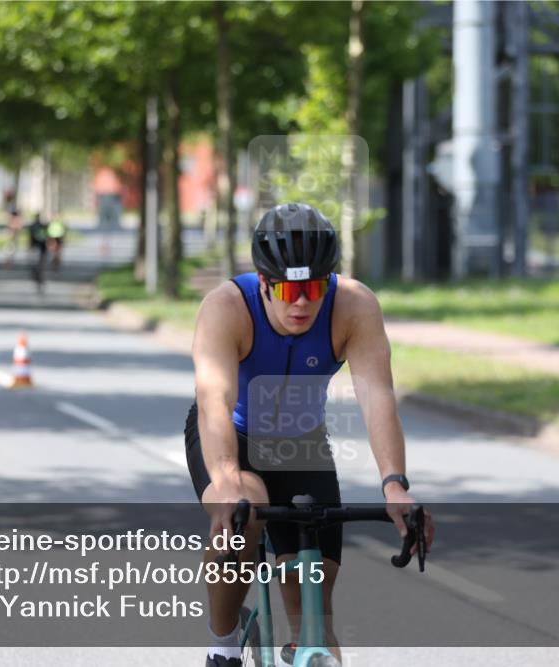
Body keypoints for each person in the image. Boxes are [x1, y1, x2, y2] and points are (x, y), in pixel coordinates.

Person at [185, 203, 435, 666]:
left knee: (312, 610)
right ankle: (222, 646)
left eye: (314, 287)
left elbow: (377, 397)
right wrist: (224, 480)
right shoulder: (225, 308)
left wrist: (395, 484)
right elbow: (213, 403)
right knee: (246, 507)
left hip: (301, 445)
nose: (302, 302)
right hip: (230, 437)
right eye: (289, 289)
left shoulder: (354, 307)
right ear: (264, 282)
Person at [27, 213, 49, 288]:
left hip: (38, 246)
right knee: (40, 263)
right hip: (40, 247)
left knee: (36, 263)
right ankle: (39, 277)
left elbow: (30, 237)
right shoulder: (43, 226)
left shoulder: (33, 226)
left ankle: (38, 276)